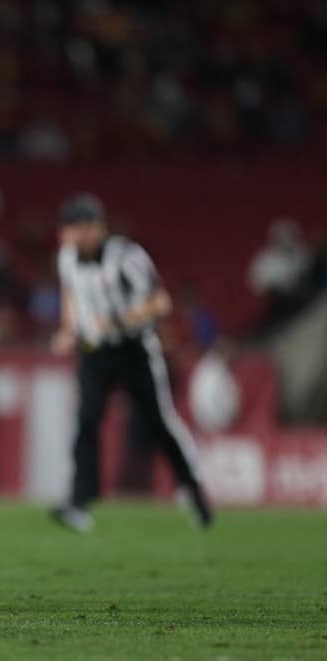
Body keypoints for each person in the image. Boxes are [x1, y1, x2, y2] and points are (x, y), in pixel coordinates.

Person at [50, 192, 212, 532]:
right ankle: (79, 502)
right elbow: (71, 293)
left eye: (77, 228)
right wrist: (68, 329)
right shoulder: (67, 257)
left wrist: (120, 320)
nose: (70, 235)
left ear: (96, 228)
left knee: (158, 421)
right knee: (87, 419)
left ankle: (193, 489)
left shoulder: (126, 256)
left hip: (134, 347)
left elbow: (159, 303)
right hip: (95, 349)